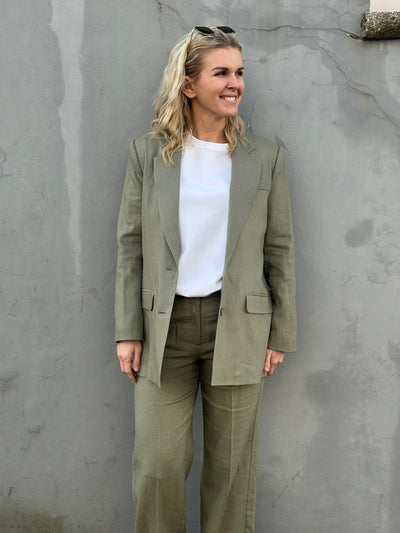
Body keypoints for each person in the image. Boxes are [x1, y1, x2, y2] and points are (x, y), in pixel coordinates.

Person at [115, 25, 296, 533]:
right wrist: (128, 330)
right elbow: (131, 245)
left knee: (230, 472)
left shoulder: (265, 157)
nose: (235, 83)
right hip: (163, 329)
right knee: (158, 466)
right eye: (221, 73)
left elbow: (279, 248)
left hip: (238, 326)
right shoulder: (149, 154)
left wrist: (279, 333)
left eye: (239, 72)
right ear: (189, 84)